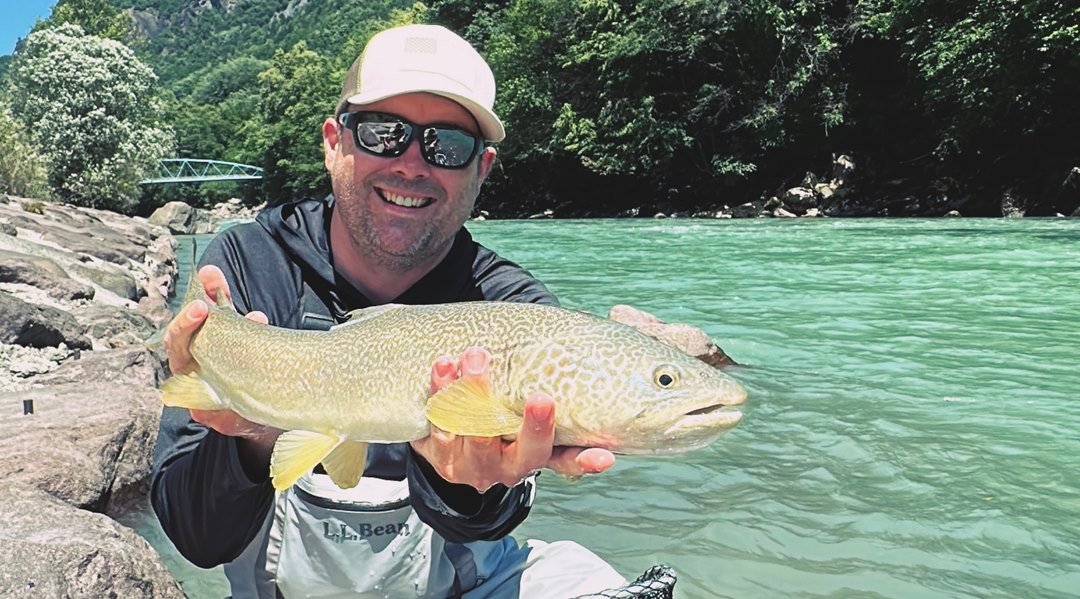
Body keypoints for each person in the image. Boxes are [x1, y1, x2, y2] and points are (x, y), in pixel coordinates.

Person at [151, 24, 633, 598]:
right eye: (384, 133)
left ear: (481, 168)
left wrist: (462, 483)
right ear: (333, 143)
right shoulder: (248, 262)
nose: (411, 163)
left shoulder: (514, 310)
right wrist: (255, 432)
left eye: (447, 145)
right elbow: (197, 540)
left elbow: (485, 522)